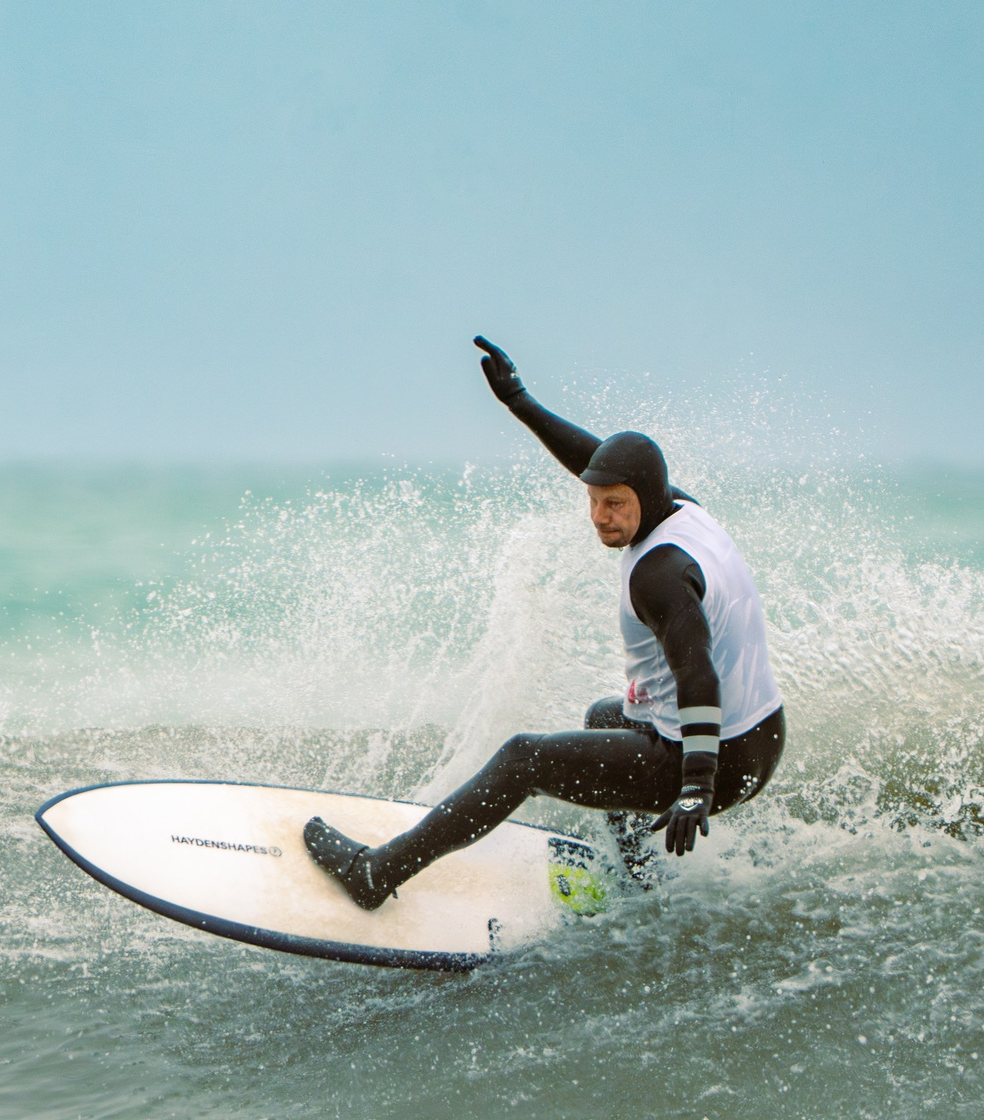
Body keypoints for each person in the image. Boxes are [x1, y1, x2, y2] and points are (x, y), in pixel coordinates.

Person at [303, 336, 787, 909]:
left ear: (644, 497)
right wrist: (519, 400)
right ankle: (640, 879)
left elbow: (697, 673)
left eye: (615, 505)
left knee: (525, 758)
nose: (600, 518)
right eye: (595, 501)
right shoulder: (681, 511)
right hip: (761, 735)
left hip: (719, 760)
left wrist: (695, 786)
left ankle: (376, 874)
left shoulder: (659, 574)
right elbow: (594, 458)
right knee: (607, 716)